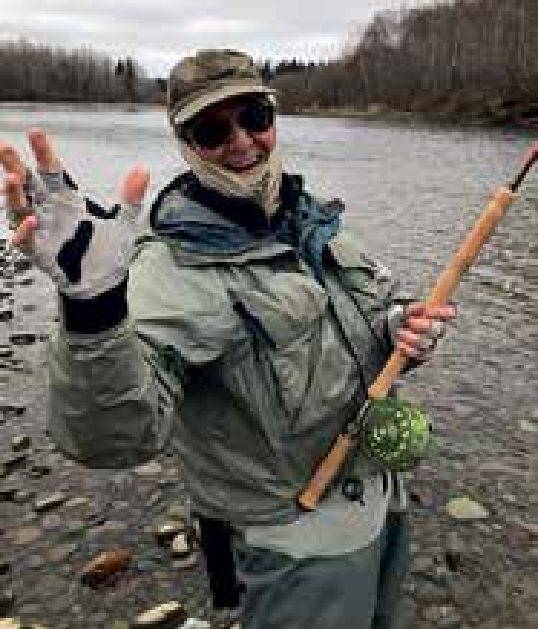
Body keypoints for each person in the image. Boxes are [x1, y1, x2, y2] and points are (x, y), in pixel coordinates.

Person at [1, 49, 457, 628]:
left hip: (381, 497)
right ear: (185, 144)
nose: (242, 142)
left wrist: (398, 328)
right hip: (297, 540)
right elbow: (114, 440)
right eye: (213, 130)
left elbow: (364, 317)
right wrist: (93, 308)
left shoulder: (311, 217)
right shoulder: (165, 272)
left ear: (274, 117)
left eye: (255, 118)